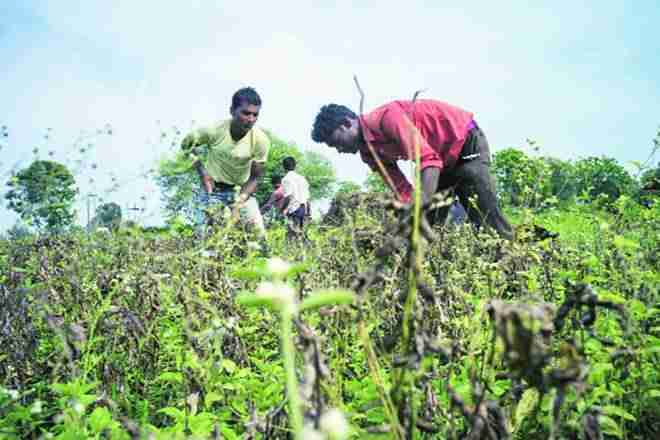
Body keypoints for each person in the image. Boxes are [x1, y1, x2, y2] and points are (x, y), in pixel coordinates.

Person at [311, 99, 513, 239]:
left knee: (485, 216)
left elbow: (429, 161)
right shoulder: (368, 154)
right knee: (431, 224)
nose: (338, 150)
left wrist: (420, 207)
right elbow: (401, 189)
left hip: (464, 142)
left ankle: (510, 263)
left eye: (335, 142)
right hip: (439, 160)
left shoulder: (387, 118)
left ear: (347, 124)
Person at [181, 87, 270, 235]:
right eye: (246, 113)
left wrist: (239, 202)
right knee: (205, 236)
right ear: (232, 111)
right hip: (213, 191)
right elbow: (186, 146)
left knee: (258, 236)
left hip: (241, 192)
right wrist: (202, 172)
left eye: (255, 115)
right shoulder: (213, 130)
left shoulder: (261, 140)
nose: (250, 119)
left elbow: (255, 178)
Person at [280, 156, 311, 239]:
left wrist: (282, 209)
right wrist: (308, 212)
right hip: (304, 209)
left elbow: (288, 197)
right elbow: (308, 198)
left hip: (294, 209)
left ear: (283, 166)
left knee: (292, 235)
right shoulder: (302, 178)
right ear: (295, 165)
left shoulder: (286, 179)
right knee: (303, 235)